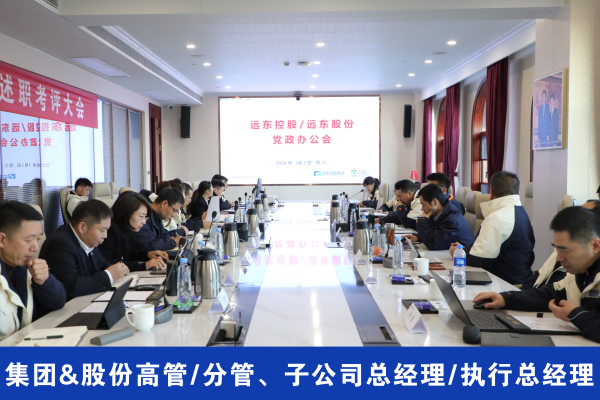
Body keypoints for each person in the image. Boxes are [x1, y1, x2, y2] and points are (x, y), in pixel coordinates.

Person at [474, 206, 600, 343]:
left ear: (595, 246)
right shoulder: (580, 271)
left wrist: (576, 315)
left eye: (565, 250)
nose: (559, 258)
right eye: (556, 249)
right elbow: (550, 294)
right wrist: (506, 298)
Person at [449, 171, 535, 285]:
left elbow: (479, 259)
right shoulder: (520, 212)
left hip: (505, 284)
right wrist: (464, 248)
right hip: (518, 278)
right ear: (518, 193)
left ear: (491, 193)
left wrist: (457, 252)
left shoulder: (498, 217)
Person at [0, 201, 66, 340]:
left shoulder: (24, 267)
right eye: (28, 240)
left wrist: (45, 282)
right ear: (2, 239)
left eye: (38, 239)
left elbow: (58, 302)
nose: (35, 247)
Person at [39, 200, 130, 301]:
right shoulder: (59, 244)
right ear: (82, 227)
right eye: (102, 230)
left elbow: (101, 263)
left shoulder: (88, 238)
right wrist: (109, 275)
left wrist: (117, 269)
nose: (105, 236)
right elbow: (71, 287)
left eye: (107, 230)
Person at [521, 200, 600, 290]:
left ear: (595, 246)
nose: (559, 258)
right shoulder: (562, 251)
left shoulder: (578, 265)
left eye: (585, 213)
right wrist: (516, 294)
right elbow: (541, 277)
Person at [98, 192, 168, 271]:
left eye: (145, 217)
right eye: (141, 216)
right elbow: (106, 262)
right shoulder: (109, 231)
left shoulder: (126, 229)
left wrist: (147, 254)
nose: (144, 222)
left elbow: (128, 254)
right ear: (127, 213)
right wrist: (144, 266)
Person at [405, 184, 474, 250]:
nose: (422, 209)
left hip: (460, 256)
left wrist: (422, 220)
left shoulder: (452, 221)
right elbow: (436, 233)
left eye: (423, 205)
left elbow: (433, 244)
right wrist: (418, 237)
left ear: (435, 202)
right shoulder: (438, 213)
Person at [129, 187, 185, 253]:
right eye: (174, 210)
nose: (174, 215)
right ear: (164, 204)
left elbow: (163, 234)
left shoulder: (157, 217)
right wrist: (173, 242)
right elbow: (147, 246)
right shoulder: (144, 217)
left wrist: (170, 239)